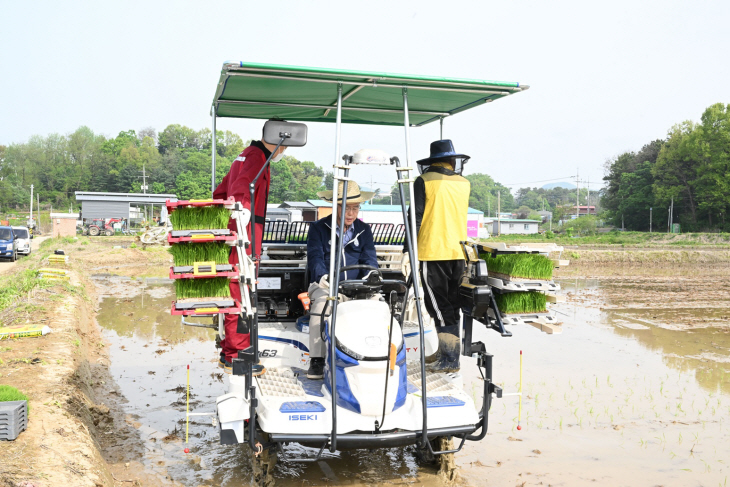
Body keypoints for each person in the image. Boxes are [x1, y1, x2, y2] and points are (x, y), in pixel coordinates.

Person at [212, 119, 289, 374]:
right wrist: (242, 222)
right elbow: (240, 190)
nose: (284, 151)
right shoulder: (257, 158)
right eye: (284, 146)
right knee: (242, 290)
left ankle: (227, 350)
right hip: (246, 231)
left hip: (239, 231)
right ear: (279, 140)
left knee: (235, 287)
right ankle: (238, 356)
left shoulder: (243, 155)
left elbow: (220, 192)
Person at [305, 180, 378, 379]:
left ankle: (375, 355)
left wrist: (372, 275)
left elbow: (370, 259)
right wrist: (323, 277)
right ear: (335, 206)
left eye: (355, 208)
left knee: (378, 305)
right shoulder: (318, 229)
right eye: (346, 208)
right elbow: (315, 257)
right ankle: (317, 360)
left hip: (357, 286)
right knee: (322, 305)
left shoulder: (364, 230)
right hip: (326, 285)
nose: (351, 213)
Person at [412, 140, 471, 373]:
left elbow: (415, 217)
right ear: (452, 161)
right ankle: (447, 352)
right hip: (459, 253)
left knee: (437, 305)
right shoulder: (463, 183)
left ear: (432, 161)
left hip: (433, 250)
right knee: (452, 304)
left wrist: (410, 248)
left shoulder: (424, 181)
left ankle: (449, 359)